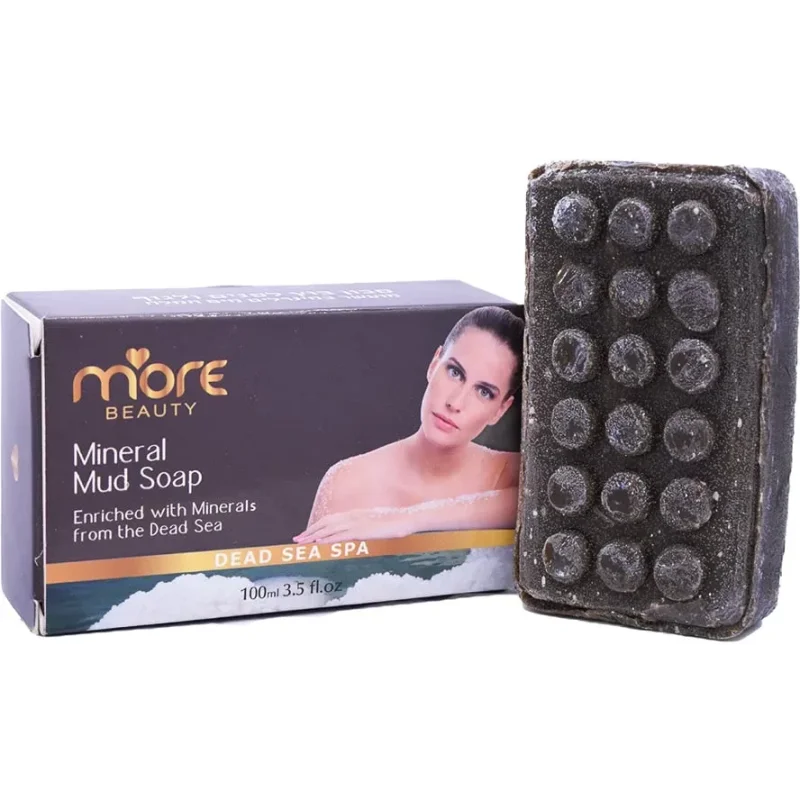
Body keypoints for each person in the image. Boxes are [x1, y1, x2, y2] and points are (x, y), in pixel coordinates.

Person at [293, 305, 524, 544]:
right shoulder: (346, 482)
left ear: (500, 410)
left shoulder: (514, 475)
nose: (455, 403)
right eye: (455, 372)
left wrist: (404, 520)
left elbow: (529, 502)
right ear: (434, 365)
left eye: (484, 392)